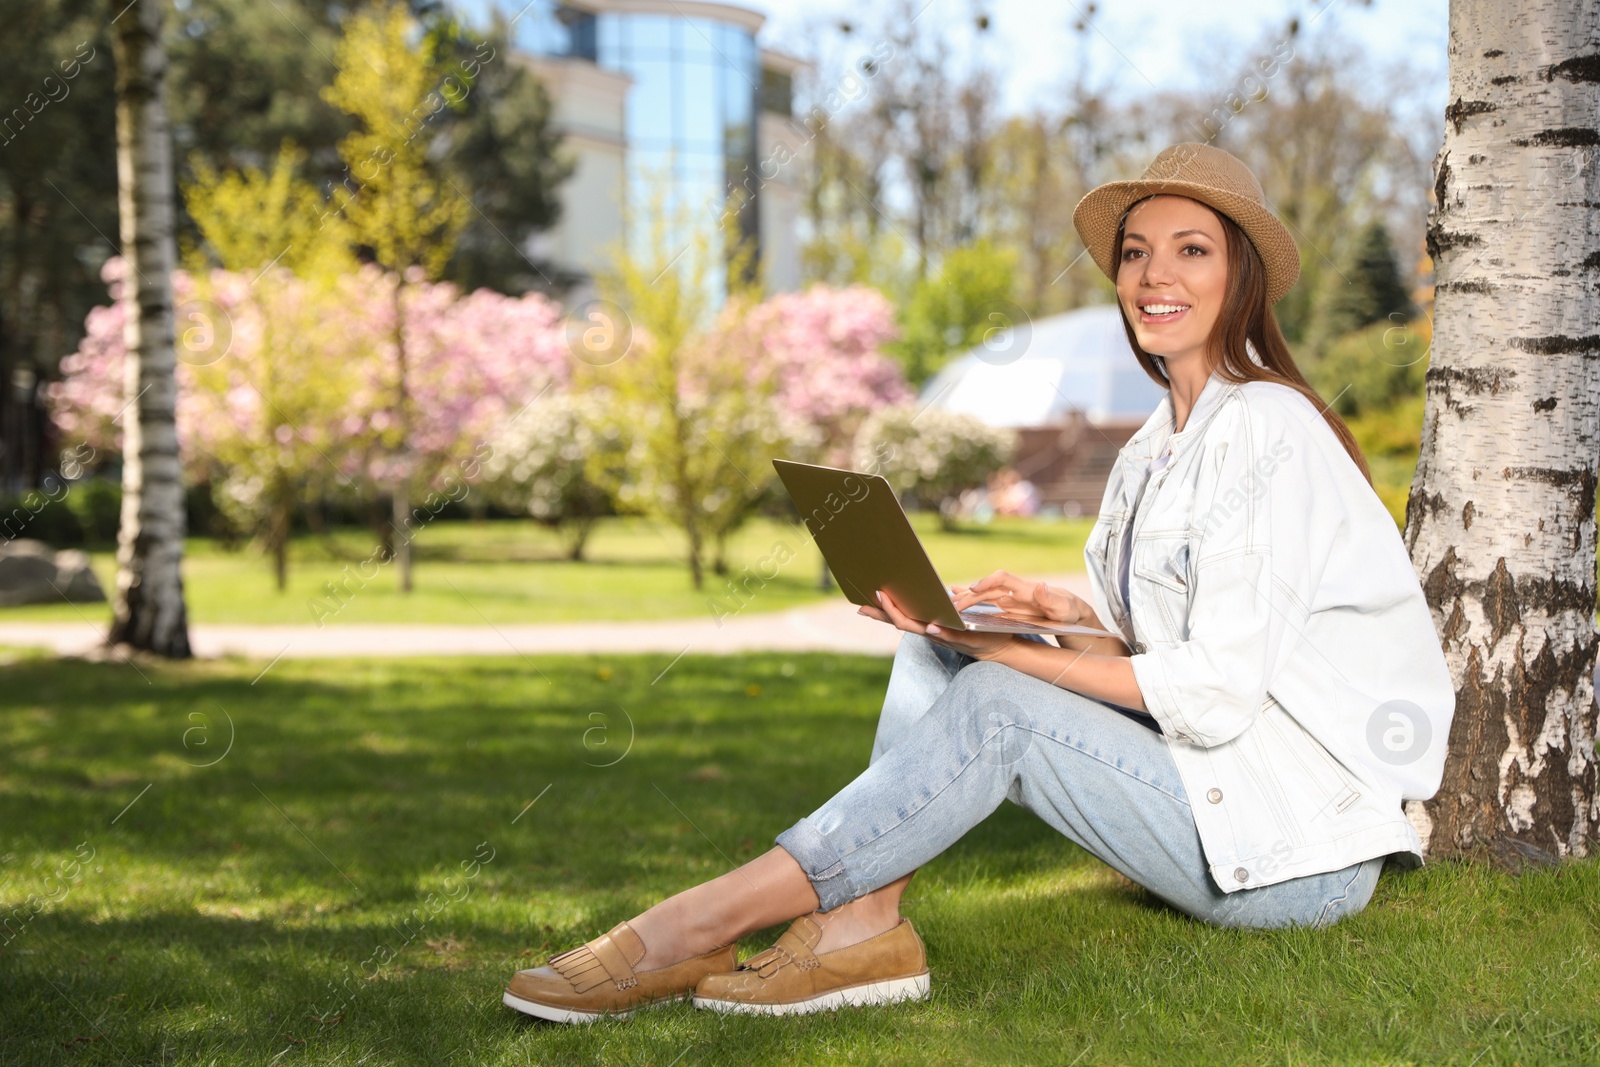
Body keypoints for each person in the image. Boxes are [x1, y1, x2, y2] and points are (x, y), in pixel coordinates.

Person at [501, 142, 1457, 1024]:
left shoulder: (1269, 426)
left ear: (1240, 273)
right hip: (1216, 786)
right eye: (1135, 253)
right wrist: (1071, 621)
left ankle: (688, 928)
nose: (1155, 275)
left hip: (1294, 854)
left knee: (998, 692)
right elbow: (1157, 667)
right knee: (935, 643)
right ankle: (863, 925)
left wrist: (1007, 654)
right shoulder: (1145, 455)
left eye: (1191, 250)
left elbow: (1208, 694)